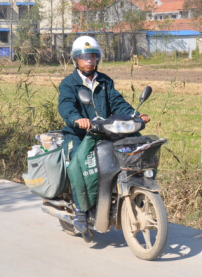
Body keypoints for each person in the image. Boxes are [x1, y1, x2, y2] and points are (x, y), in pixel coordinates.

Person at [58, 35, 150, 233]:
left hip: (102, 131)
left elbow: (117, 102)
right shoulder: (69, 83)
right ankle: (81, 210)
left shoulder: (105, 81)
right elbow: (66, 106)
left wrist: (134, 115)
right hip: (78, 135)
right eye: (84, 57)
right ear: (76, 60)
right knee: (77, 162)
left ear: (97, 58)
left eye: (92, 56)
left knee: (128, 152)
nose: (89, 61)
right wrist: (77, 119)